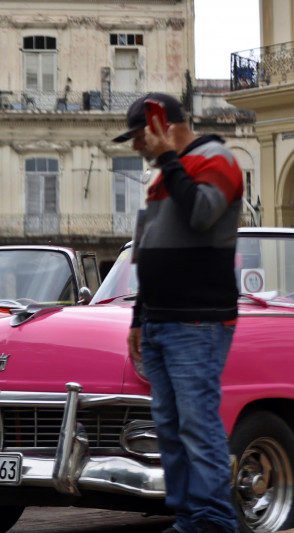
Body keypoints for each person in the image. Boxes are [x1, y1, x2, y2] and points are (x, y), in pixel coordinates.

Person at [116, 92, 243, 533]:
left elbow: (203, 214)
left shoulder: (216, 158)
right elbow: (147, 249)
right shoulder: (161, 177)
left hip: (196, 320)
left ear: (162, 125)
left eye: (139, 136)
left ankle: (212, 521)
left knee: (197, 425)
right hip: (161, 321)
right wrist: (138, 317)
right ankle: (190, 519)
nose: (136, 147)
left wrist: (170, 159)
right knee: (171, 429)